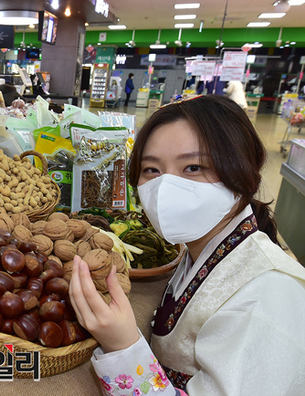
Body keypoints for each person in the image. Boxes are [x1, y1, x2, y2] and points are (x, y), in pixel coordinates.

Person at [69, 95, 305, 395]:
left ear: (244, 169)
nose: (166, 188)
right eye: (152, 170)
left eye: (193, 167)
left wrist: (122, 346)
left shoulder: (266, 298)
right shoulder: (202, 251)